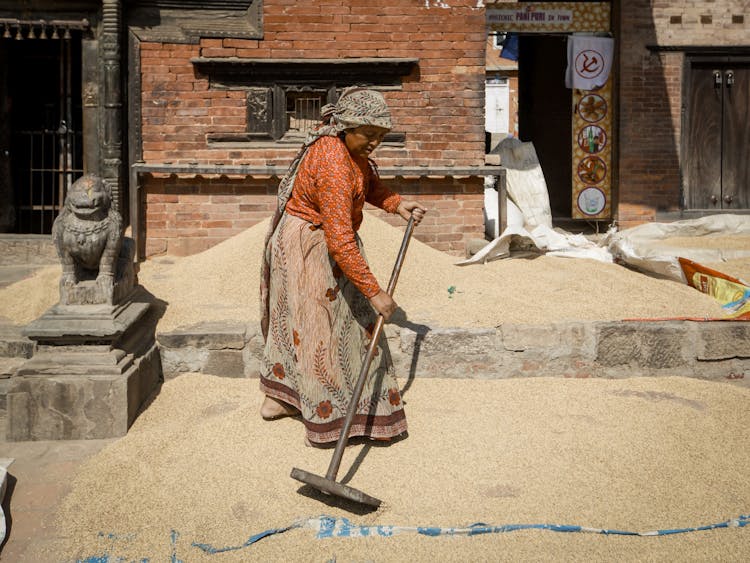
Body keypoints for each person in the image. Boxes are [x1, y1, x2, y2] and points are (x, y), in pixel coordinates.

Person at [259, 87, 426, 446]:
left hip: (321, 238)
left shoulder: (352, 154)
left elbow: (367, 186)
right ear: (345, 127)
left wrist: (397, 205)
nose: (374, 143)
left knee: (305, 321)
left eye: (380, 137)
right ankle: (326, 421)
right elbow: (340, 240)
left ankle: (280, 400)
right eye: (369, 135)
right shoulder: (333, 161)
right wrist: (374, 291)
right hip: (308, 243)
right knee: (322, 327)